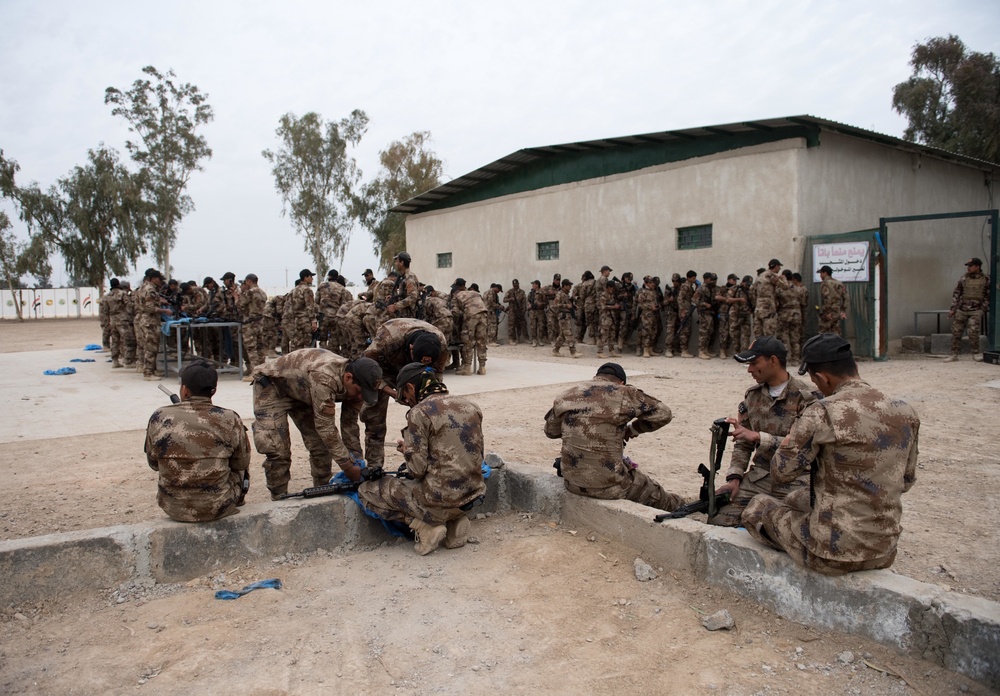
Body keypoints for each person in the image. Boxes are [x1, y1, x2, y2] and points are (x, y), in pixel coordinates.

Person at [743, 334, 920, 575]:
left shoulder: (822, 411)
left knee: (757, 507)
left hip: (830, 552)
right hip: (884, 549)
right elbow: (906, 481)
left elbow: (782, 472)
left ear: (821, 378)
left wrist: (787, 441)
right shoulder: (905, 410)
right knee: (795, 499)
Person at [358, 362, 487, 555]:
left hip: (441, 499)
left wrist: (409, 451)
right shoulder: (470, 406)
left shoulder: (420, 412)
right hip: (474, 494)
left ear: (411, 387)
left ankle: (426, 527)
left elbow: (416, 470)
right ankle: (456, 521)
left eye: (405, 396)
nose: (408, 402)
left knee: (368, 490)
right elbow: (468, 454)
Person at [708, 337, 819, 527]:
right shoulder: (753, 396)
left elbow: (807, 446)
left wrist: (760, 437)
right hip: (760, 478)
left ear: (773, 361)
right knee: (718, 518)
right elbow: (743, 442)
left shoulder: (808, 397)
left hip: (797, 480)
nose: (750, 370)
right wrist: (734, 478)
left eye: (754, 363)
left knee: (801, 526)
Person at [544, 363, 685, 512]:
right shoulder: (625, 393)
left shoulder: (566, 395)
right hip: (608, 485)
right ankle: (685, 506)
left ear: (596, 377)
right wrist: (633, 429)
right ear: (622, 383)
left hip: (572, 483)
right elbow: (664, 414)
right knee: (658, 495)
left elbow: (551, 432)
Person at [251, 350, 383, 498]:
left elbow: (349, 424)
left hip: (304, 393)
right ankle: (279, 496)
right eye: (359, 392)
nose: (360, 397)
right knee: (278, 450)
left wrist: (356, 461)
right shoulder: (324, 376)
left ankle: (322, 491)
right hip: (273, 387)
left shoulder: (359, 384)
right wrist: (347, 466)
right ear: (348, 377)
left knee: (320, 447)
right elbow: (325, 427)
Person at [144, 361, 251, 522]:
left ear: (185, 390)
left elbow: (153, 464)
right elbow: (241, 463)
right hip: (219, 507)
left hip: (172, 508)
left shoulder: (159, 416)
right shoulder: (230, 418)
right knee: (240, 455)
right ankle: (238, 501)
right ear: (213, 390)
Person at [362, 318, 450, 467]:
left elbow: (436, 378)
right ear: (411, 348)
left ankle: (423, 461)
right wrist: (394, 392)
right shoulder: (387, 340)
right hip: (385, 369)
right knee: (374, 418)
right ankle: (374, 466)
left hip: (416, 375)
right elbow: (368, 371)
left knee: (430, 412)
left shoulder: (439, 345)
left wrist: (423, 400)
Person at [945, 257, 989, 362]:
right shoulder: (964, 278)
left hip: (976, 310)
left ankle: (976, 353)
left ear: (977, 267)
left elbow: (988, 296)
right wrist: (953, 309)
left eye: (970, 266)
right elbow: (957, 293)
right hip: (962, 309)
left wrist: (983, 308)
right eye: (968, 266)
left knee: (973, 331)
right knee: (956, 332)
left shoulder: (986, 279)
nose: (968, 268)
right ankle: (954, 354)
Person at [450, 278, 489, 375]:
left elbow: (455, 313)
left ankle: (467, 367)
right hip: (483, 314)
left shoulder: (457, 295)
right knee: (481, 341)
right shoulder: (475, 293)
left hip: (471, 316)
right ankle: (482, 367)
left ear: (458, 287)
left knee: (468, 340)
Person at [237, 273, 268, 380]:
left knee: (251, 348)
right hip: (260, 323)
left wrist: (237, 296)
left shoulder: (250, 292)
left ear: (249, 281)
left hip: (250, 324)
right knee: (260, 348)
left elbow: (240, 304)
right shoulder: (262, 292)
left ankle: (255, 373)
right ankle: (263, 370)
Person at [287, 269, 318, 351]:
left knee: (296, 343)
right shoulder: (307, 290)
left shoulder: (294, 290)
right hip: (305, 320)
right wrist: (313, 320)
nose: (312, 279)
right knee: (308, 344)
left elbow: (289, 306)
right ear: (305, 277)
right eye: (311, 276)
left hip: (296, 320)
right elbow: (309, 306)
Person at [551, 278, 580, 358]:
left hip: (567, 316)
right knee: (568, 333)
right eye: (569, 285)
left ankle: (555, 350)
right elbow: (554, 305)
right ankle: (573, 352)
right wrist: (565, 306)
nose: (570, 287)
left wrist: (573, 307)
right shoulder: (559, 294)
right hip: (563, 316)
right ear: (564, 286)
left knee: (562, 336)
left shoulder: (566, 295)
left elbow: (569, 305)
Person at [387, 251, 420, 319]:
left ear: (401, 263)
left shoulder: (409, 277)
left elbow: (412, 297)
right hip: (404, 314)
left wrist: (395, 306)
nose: (395, 264)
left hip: (410, 316)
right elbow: (404, 295)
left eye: (397, 261)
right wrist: (394, 297)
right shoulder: (403, 277)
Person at [817, 264, 848, 336]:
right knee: (836, 334)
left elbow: (827, 297)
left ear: (825, 273)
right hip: (837, 313)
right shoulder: (839, 283)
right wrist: (843, 311)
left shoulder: (825, 283)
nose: (820, 275)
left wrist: (827, 313)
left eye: (821, 273)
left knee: (822, 334)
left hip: (828, 314)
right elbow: (846, 298)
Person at [503, 279, 528, 344]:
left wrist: (524, 311)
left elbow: (524, 302)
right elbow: (504, 300)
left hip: (520, 311)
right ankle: (511, 339)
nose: (515, 286)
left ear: (518, 284)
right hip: (512, 311)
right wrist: (511, 299)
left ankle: (524, 338)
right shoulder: (510, 291)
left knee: (523, 324)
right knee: (511, 325)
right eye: (514, 284)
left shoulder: (522, 292)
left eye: (516, 284)